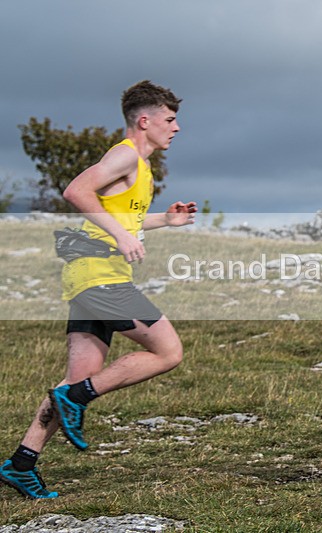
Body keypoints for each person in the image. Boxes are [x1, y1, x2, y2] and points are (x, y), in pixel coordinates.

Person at [0, 80, 197, 499]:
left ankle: (22, 463)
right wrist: (122, 238)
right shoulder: (125, 154)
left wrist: (165, 221)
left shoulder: (140, 168)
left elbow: (119, 219)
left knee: (77, 376)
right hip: (98, 276)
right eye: (170, 119)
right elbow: (76, 190)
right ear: (145, 121)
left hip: (91, 276)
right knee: (167, 352)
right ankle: (76, 397)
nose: (176, 128)